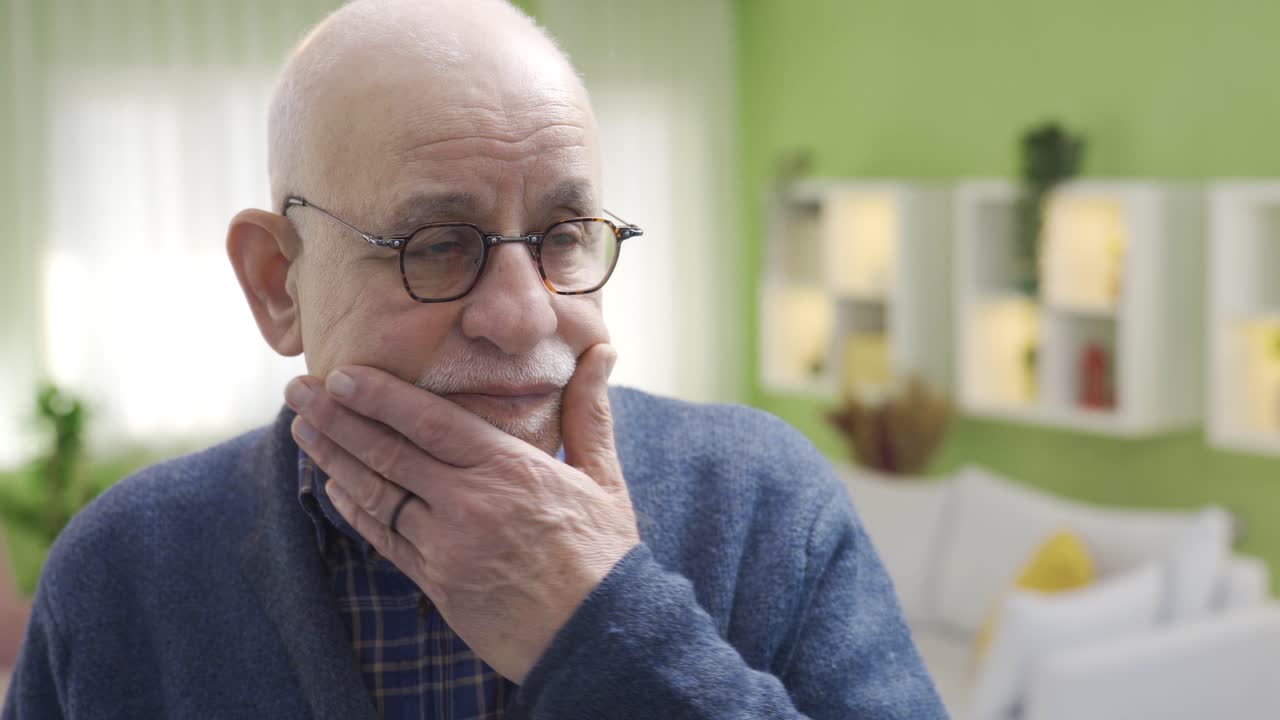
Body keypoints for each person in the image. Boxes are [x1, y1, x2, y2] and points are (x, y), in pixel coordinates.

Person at [2, 0, 946, 717]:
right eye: (437, 243)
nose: (525, 317)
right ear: (278, 284)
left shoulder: (766, 503)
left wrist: (605, 625)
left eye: (566, 234)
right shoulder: (126, 569)